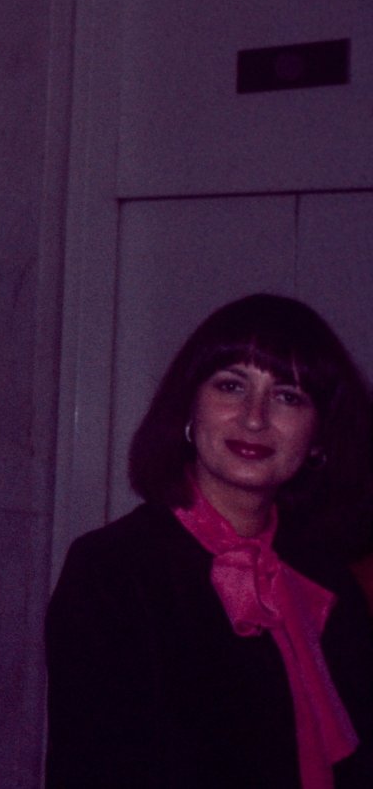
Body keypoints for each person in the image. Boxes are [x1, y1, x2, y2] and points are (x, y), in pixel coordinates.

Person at [46, 293, 373, 789]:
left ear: (320, 437)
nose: (255, 417)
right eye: (231, 386)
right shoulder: (111, 571)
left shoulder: (328, 580)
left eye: (288, 396)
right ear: (187, 408)